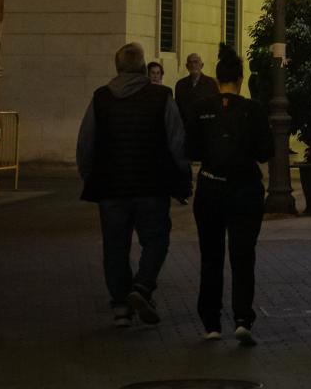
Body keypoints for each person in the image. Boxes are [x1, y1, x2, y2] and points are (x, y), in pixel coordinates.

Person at [76, 42, 191, 328]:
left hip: (111, 186)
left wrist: (89, 176)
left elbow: (86, 143)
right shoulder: (161, 96)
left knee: (115, 246)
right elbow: (177, 142)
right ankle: (142, 286)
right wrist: (184, 178)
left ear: (117, 68)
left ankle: (120, 307)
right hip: (152, 184)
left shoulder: (101, 98)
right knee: (157, 239)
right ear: (143, 68)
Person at [186, 52, 271, 345]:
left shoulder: (200, 108)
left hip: (210, 189)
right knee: (243, 255)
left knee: (211, 256)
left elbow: (192, 151)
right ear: (240, 79)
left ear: (218, 78)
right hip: (245, 190)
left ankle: (211, 322)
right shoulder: (253, 110)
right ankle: (242, 317)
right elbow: (265, 152)